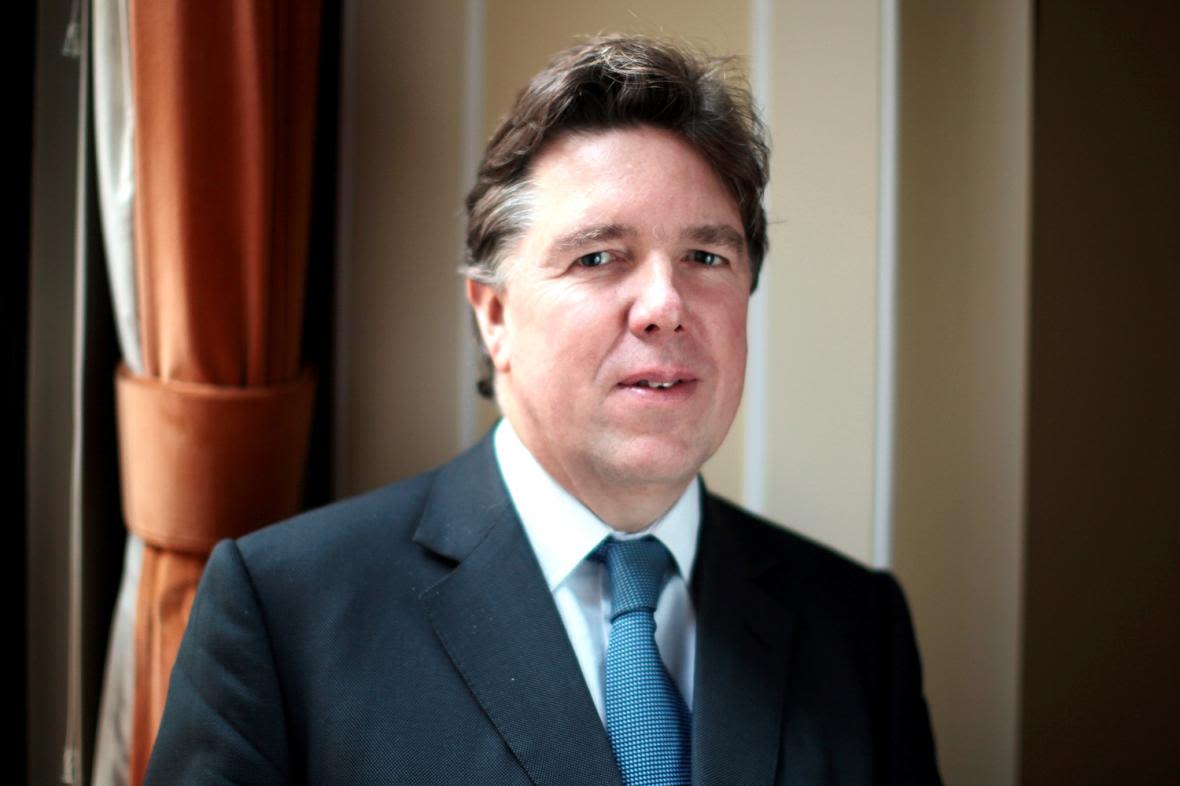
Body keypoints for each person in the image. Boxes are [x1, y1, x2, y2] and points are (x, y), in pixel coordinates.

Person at [146, 34, 941, 785]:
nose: (665, 305)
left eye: (706, 257)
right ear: (494, 316)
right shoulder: (283, 611)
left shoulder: (857, 626)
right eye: (599, 257)